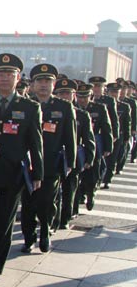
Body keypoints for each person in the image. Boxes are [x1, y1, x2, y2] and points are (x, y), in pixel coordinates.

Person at [0, 54, 43, 285]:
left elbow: (36, 142)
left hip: (13, 175)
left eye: (9, 74)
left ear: (18, 78)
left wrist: (37, 173)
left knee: (4, 223)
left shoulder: (30, 107)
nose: (4, 78)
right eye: (0, 74)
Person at [19, 64, 76, 252]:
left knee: (46, 202)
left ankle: (45, 231)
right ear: (33, 85)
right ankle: (28, 237)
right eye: (39, 81)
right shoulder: (25, 105)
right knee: (27, 204)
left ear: (54, 84)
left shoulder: (64, 107)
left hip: (51, 163)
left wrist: (70, 161)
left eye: (47, 81)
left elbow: (70, 137)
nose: (43, 85)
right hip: (28, 165)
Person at [55, 79, 95, 229]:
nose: (65, 96)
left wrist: (90, 157)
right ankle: (54, 218)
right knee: (53, 192)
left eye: (68, 93)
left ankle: (65, 218)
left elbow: (89, 138)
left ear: (74, 95)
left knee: (69, 190)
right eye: (61, 93)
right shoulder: (48, 111)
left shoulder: (82, 115)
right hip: (55, 156)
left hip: (73, 157)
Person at [76, 83, 113, 211]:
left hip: (93, 144)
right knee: (78, 173)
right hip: (77, 144)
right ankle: (79, 195)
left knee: (93, 173)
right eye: (79, 97)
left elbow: (106, 128)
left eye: (85, 97)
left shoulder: (99, 108)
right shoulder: (71, 108)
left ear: (90, 96)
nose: (82, 100)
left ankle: (90, 194)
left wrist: (108, 147)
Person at [90, 76, 119, 189]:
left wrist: (114, 136)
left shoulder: (108, 101)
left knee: (101, 161)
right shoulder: (84, 98)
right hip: (86, 135)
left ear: (103, 88)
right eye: (94, 86)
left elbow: (114, 119)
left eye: (98, 86)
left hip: (101, 135)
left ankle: (103, 180)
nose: (96, 89)